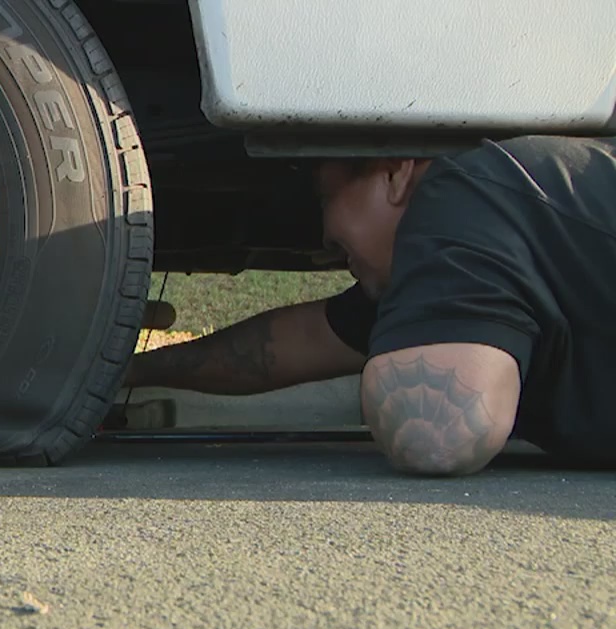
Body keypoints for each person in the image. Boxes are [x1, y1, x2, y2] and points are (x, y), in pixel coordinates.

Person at [120, 135, 616, 476]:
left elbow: (439, 438)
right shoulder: (461, 262)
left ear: (396, 173)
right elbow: (293, 343)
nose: (323, 236)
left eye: (323, 198)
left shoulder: (459, 194)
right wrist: (126, 369)